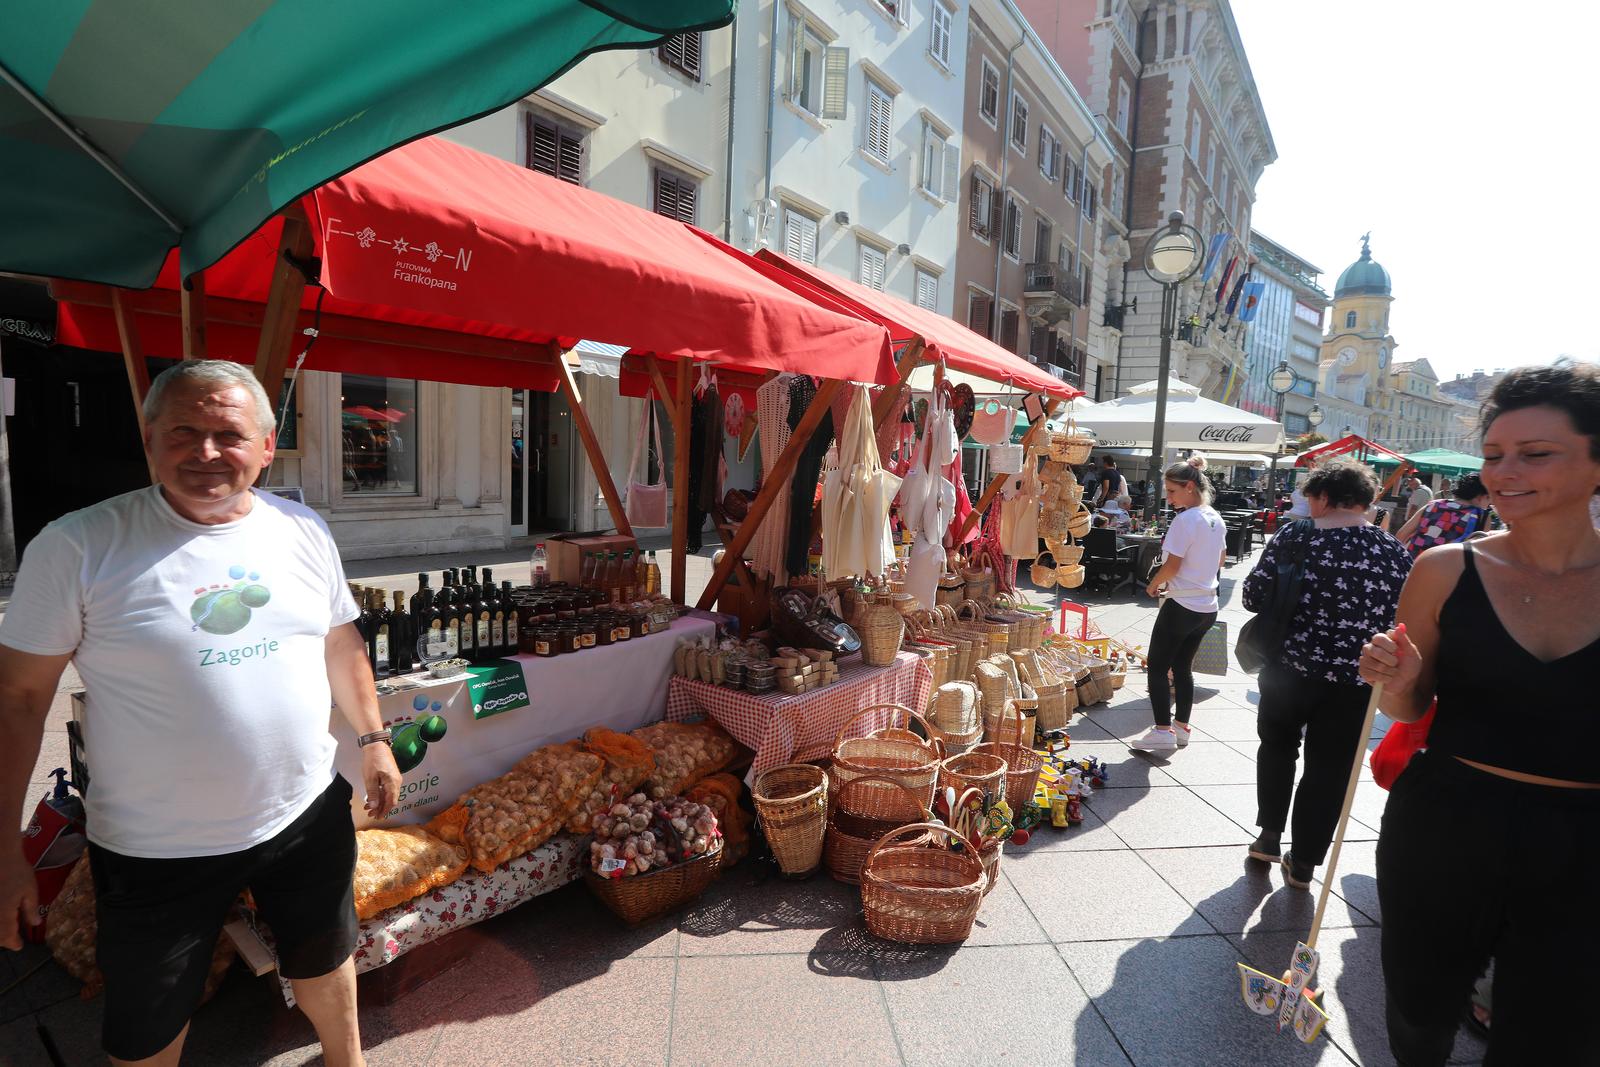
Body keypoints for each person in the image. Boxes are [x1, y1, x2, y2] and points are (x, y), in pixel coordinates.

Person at [0, 361, 399, 1067]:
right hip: (157, 844)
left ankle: (348, 1061)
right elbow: (20, 698)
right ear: (150, 438)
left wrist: (373, 737)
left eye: (228, 433)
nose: (207, 451)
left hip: (303, 811)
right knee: (148, 1019)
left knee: (325, 955)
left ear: (267, 446)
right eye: (185, 430)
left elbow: (340, 640)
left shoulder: (302, 528)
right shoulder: (78, 545)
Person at [1359, 362, 1600, 1066]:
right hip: (1447, 822)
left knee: (1556, 1037)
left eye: (1536, 453)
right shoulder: (1443, 568)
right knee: (1416, 1012)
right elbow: (1410, 705)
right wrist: (1395, 681)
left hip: (1584, 845)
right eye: (1495, 455)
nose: (1504, 472)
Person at [1241, 459, 1411, 887]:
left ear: (1321, 497)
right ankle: (1305, 861)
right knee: (1331, 767)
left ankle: (1268, 835)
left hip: (1289, 670)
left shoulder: (1295, 537)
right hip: (1357, 682)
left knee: (1277, 748)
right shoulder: (1392, 550)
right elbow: (1404, 617)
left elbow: (1253, 595)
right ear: (1366, 502)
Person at [1131, 454, 1228, 752]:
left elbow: (1172, 565)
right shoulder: (1214, 516)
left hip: (1182, 605)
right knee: (1183, 668)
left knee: (1158, 668)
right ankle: (1181, 727)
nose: (1168, 498)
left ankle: (1162, 729)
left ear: (1188, 486)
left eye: (1172, 492)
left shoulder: (1186, 520)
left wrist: (1153, 583)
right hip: (1207, 606)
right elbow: (1221, 560)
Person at [1394, 472, 1494, 557]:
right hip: (1448, 574)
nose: (1489, 504)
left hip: (1414, 565)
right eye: (1489, 498)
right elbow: (1481, 553)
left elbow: (1400, 536)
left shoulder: (1433, 505)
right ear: (1480, 496)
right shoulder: (1482, 516)